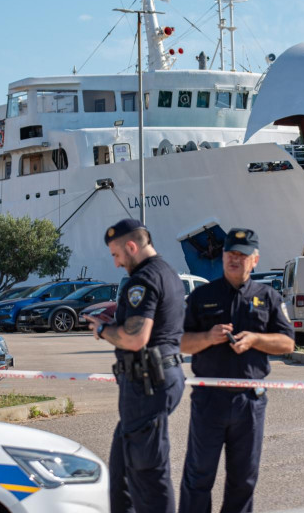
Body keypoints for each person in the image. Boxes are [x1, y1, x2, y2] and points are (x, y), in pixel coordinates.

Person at [179, 228, 295, 513]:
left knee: (243, 479)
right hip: (209, 400)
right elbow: (180, 341)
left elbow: (287, 343)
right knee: (198, 477)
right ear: (222, 256)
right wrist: (207, 337)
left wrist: (256, 340)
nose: (235, 259)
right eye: (230, 253)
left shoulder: (268, 297)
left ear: (254, 260)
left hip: (248, 401)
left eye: (242, 255)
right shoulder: (202, 295)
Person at [85, 218, 186, 513]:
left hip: (148, 384)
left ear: (131, 246)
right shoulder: (167, 272)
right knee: (122, 474)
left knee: (148, 476)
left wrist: (102, 331)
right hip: (150, 382)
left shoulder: (143, 280)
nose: (116, 264)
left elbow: (135, 338)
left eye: (116, 255)